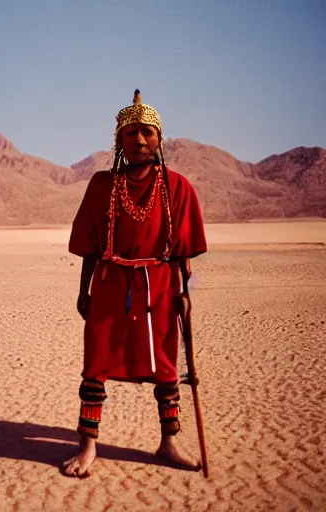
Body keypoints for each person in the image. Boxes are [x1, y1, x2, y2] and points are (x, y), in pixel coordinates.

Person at [62, 89, 207, 478]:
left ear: (160, 139)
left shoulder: (177, 187)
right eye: (131, 133)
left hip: (159, 287)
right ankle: (88, 445)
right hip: (110, 285)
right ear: (118, 140)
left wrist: (183, 293)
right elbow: (91, 244)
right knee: (96, 361)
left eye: (147, 132)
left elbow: (183, 251)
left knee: (165, 364)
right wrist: (84, 289)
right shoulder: (101, 185)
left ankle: (168, 442)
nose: (140, 140)